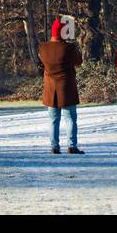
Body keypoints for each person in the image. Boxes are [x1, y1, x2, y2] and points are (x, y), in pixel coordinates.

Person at [38, 16, 84, 154]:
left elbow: (40, 65)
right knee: (70, 119)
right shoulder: (69, 48)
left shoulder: (43, 48)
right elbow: (79, 61)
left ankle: (54, 146)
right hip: (67, 88)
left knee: (53, 119)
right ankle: (72, 146)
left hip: (50, 89)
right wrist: (74, 45)